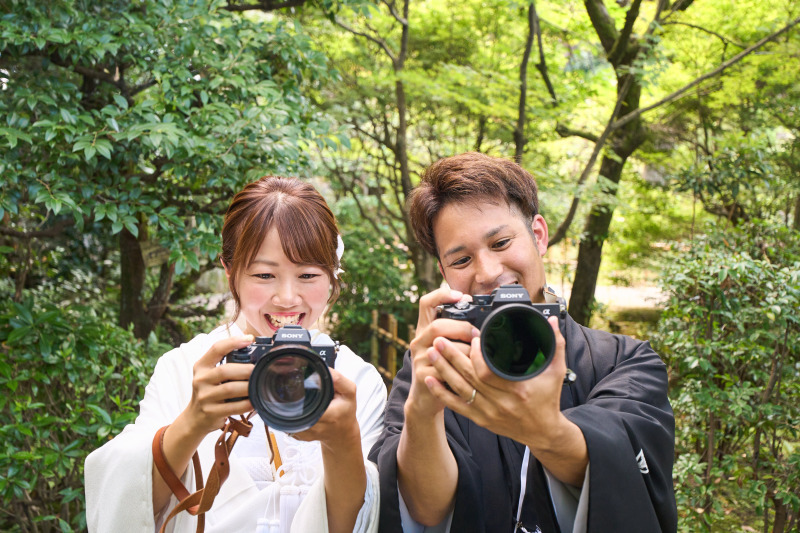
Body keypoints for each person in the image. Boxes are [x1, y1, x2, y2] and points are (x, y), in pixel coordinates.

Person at [368, 152, 677, 532]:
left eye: (500, 242)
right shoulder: (434, 363)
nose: (488, 272)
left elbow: (630, 473)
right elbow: (424, 512)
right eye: (462, 260)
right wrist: (422, 407)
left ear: (539, 235)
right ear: (445, 273)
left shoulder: (623, 361)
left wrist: (542, 430)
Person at [85, 177, 387, 533]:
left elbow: (355, 524)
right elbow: (127, 510)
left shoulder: (355, 379)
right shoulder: (187, 369)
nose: (287, 297)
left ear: (332, 277)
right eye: (264, 274)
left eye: (308, 274)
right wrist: (193, 421)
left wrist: (343, 442)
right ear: (230, 271)